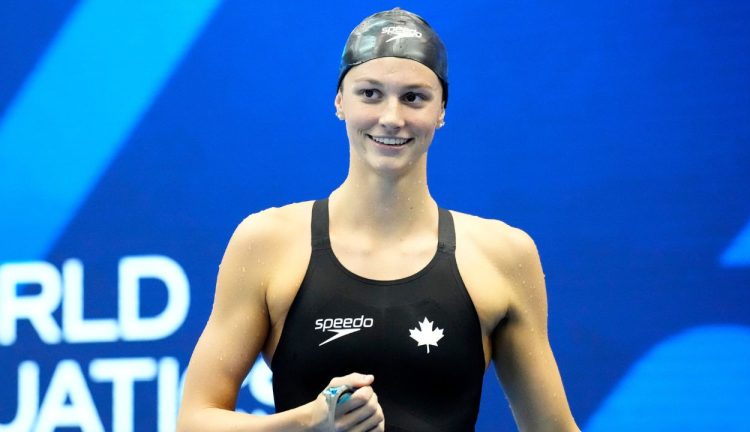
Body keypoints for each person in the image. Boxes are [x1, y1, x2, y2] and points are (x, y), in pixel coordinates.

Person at [177, 8, 580, 432]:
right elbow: (194, 421)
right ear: (339, 102)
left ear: (442, 109)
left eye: (414, 97)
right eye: (370, 93)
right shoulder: (268, 243)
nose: (391, 117)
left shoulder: (503, 254)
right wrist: (308, 423)